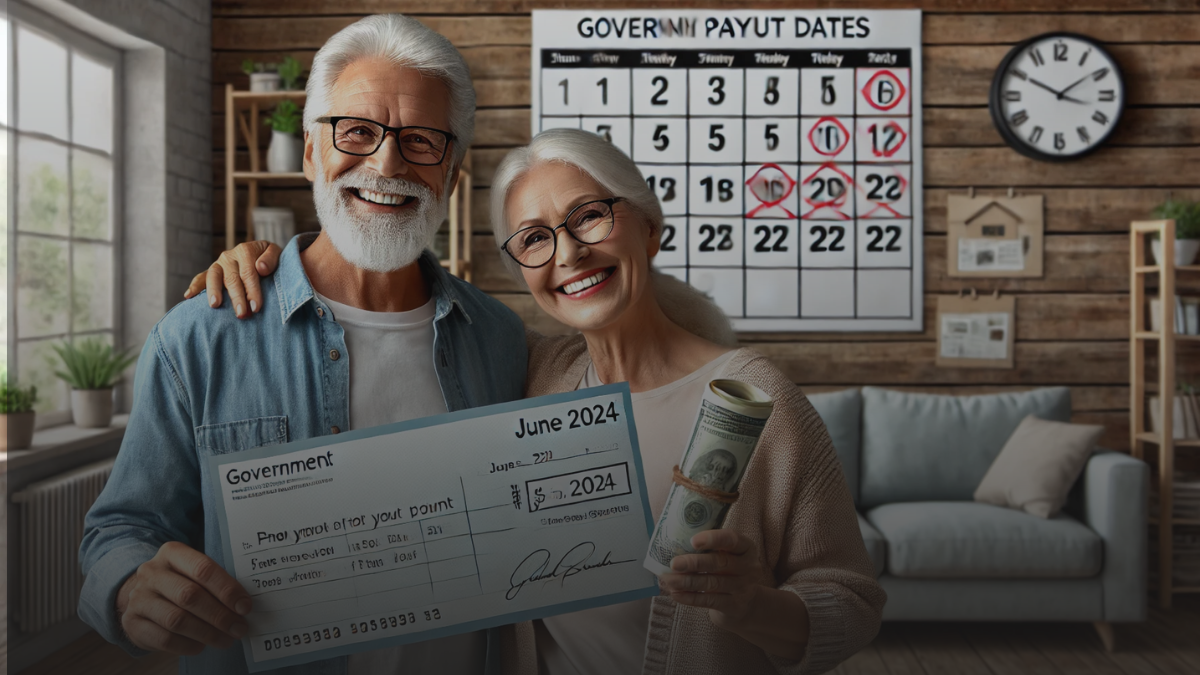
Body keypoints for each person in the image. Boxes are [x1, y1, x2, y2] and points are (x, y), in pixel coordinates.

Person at [197, 128, 886, 674]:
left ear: (649, 224)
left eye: (589, 215)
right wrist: (273, 259)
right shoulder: (531, 372)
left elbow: (850, 603)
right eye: (534, 238)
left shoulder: (758, 397)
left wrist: (754, 608)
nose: (570, 254)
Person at [78, 15, 527, 675]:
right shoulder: (197, 337)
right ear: (311, 152)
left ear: (453, 173)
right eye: (356, 131)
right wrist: (127, 589)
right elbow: (118, 530)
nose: (386, 163)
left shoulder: (503, 339)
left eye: (423, 141)